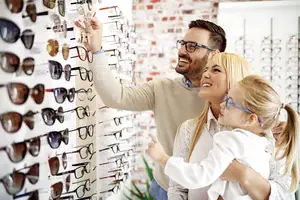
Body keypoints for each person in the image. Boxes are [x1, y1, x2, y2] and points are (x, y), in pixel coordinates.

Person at [74, 16, 287, 199]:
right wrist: (97, 49)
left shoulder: (253, 112)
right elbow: (116, 97)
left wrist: (244, 175)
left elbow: (283, 191)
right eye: (182, 43)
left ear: (215, 54)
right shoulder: (164, 91)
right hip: (167, 186)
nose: (182, 51)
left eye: (192, 46)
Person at [147, 73, 300, 199]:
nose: (222, 104)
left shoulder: (229, 139)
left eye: (229, 102)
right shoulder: (261, 144)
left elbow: (200, 176)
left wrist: (162, 158)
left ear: (251, 119)